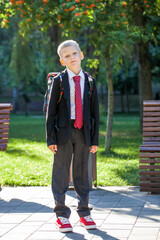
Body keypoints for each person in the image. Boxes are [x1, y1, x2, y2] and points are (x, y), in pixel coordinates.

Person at [46, 40, 99, 233]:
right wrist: (50, 139)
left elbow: (95, 113)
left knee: (82, 173)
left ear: (81, 55)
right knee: (60, 172)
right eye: (66, 56)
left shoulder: (90, 81)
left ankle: (84, 212)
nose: (72, 58)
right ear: (62, 61)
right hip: (63, 132)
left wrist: (94, 140)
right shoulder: (59, 81)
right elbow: (50, 112)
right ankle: (61, 214)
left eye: (74, 53)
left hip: (84, 132)